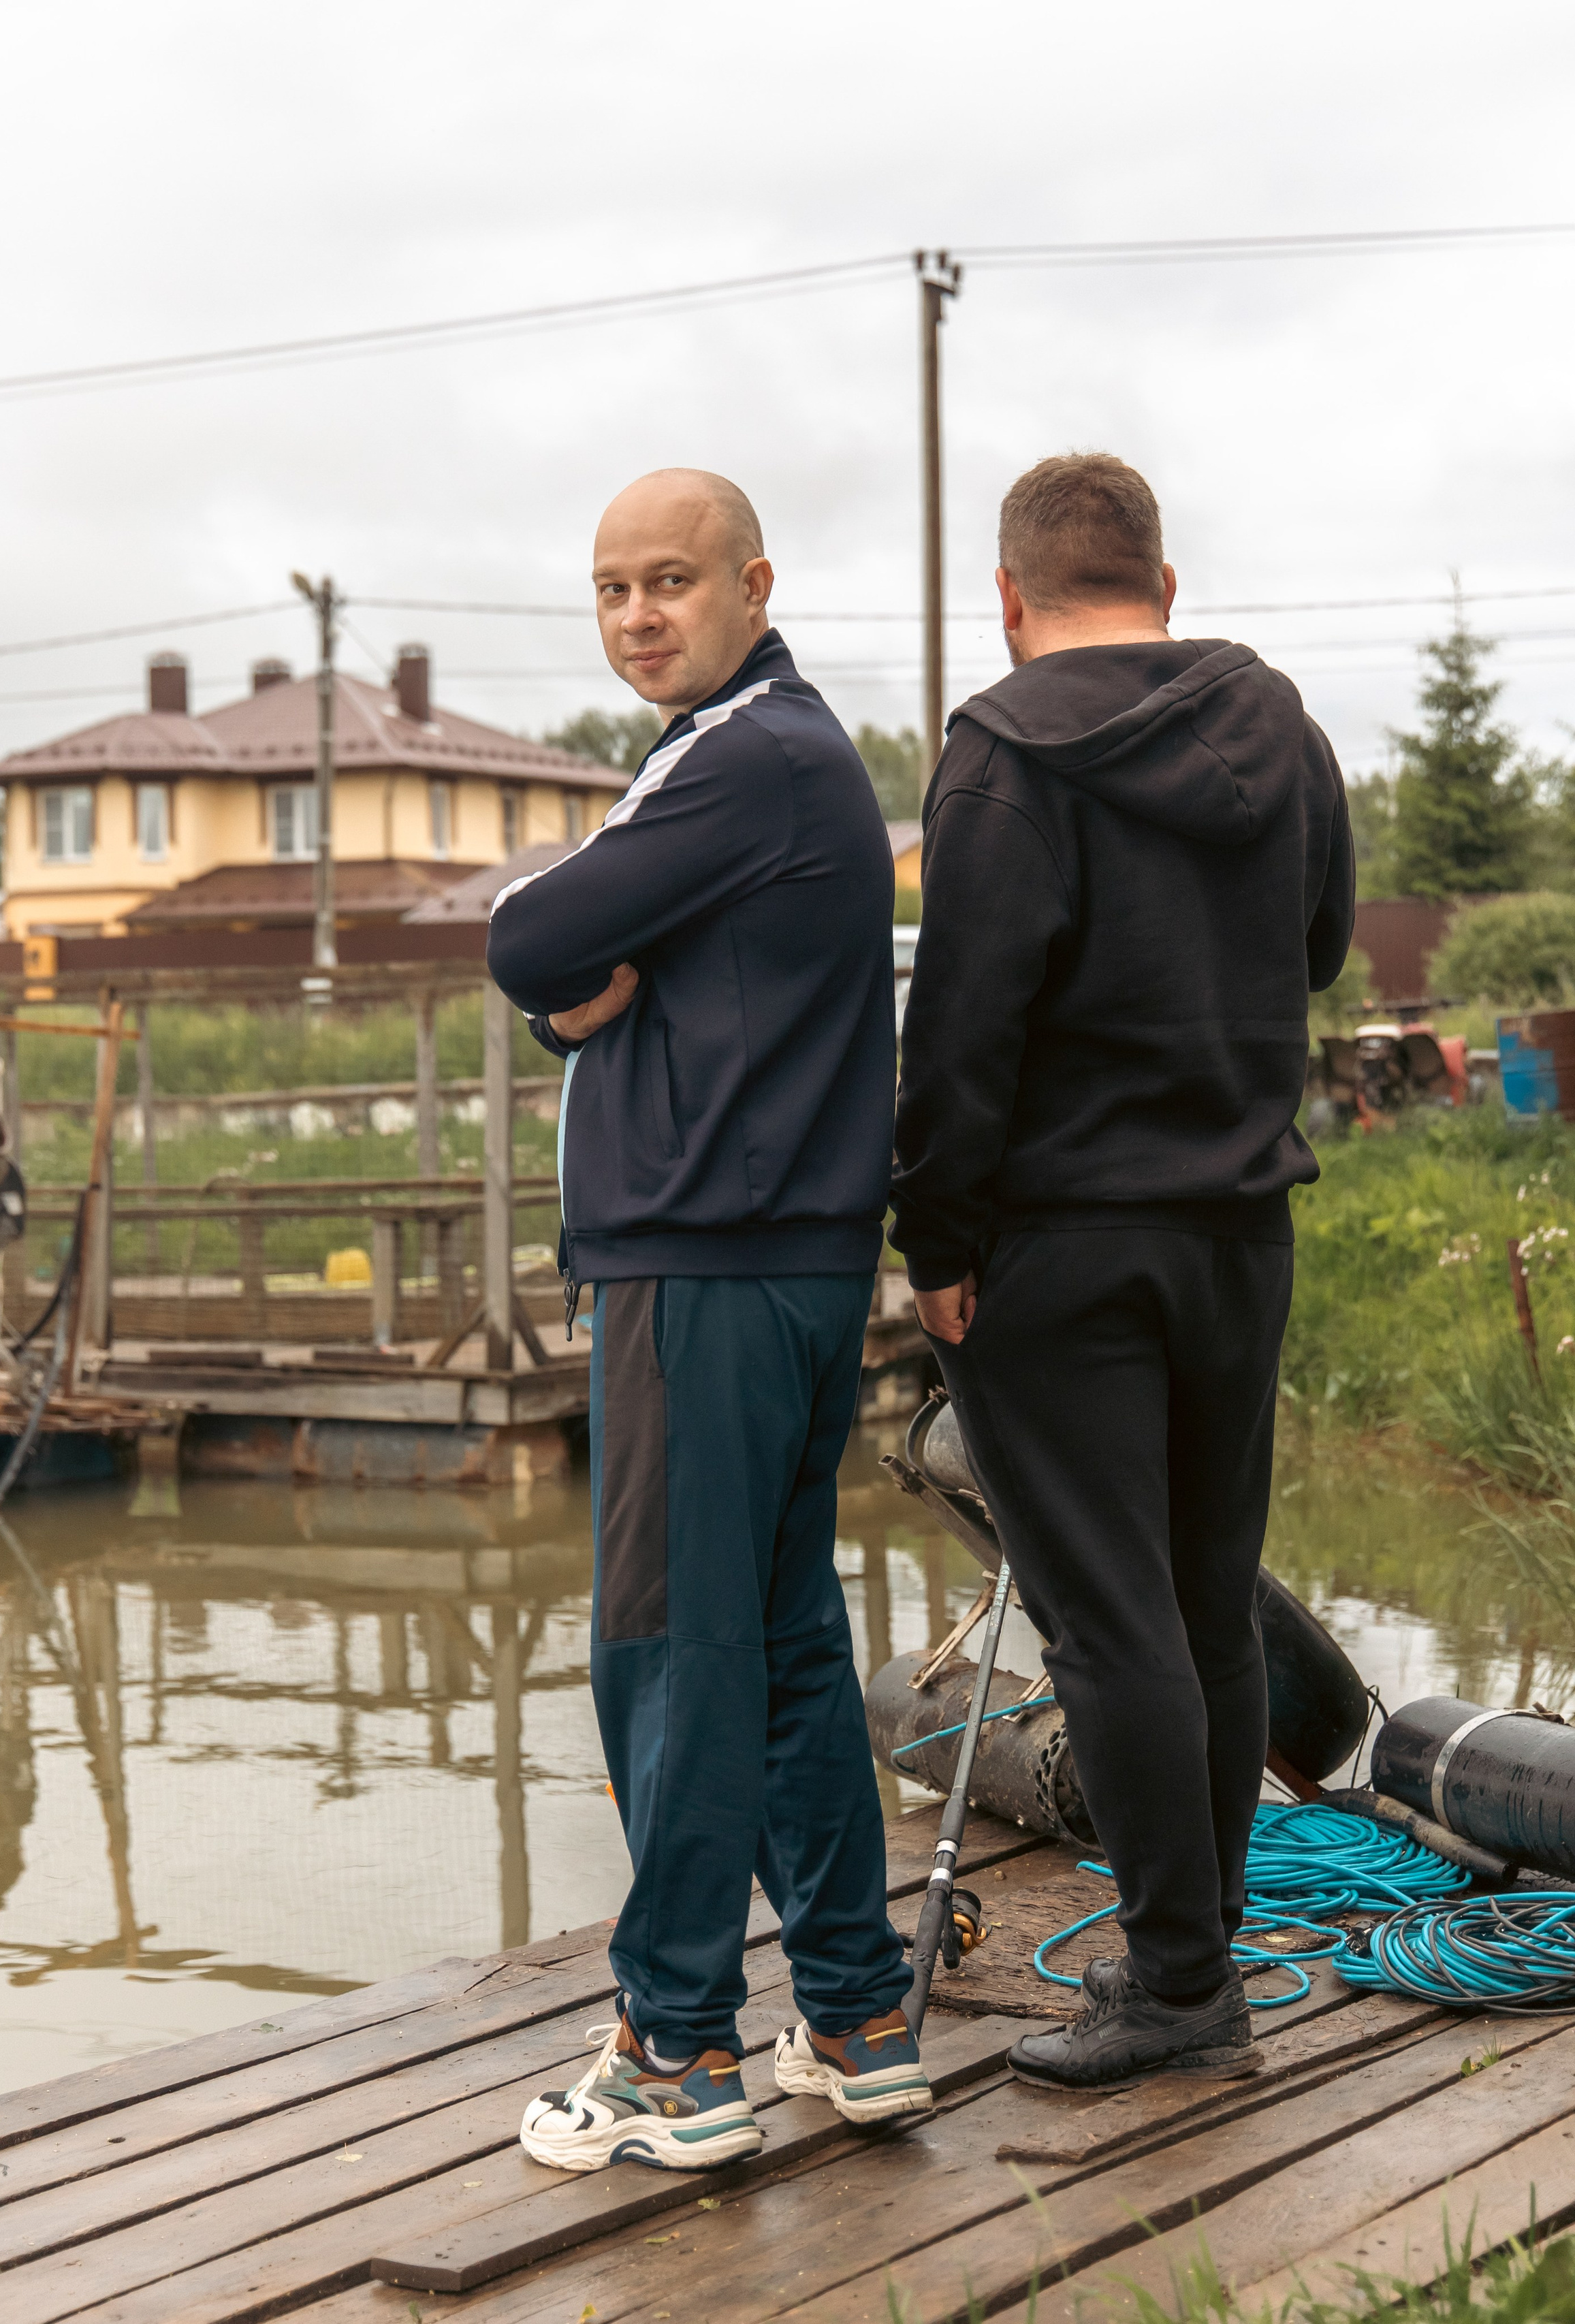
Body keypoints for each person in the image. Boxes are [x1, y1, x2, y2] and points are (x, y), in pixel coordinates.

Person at [890, 453, 1354, 2093]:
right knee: (1205, 1597)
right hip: (1239, 1230)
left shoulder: (1001, 757)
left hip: (1062, 1245)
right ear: (1161, 586)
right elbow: (1315, 947)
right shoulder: (1275, 726)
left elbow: (961, 1030)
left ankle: (1173, 1988)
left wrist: (933, 1241)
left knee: (1107, 1623)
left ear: (1007, 600)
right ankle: (1197, 1935)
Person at [487, 468, 931, 2173]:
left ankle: (675, 2051)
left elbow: (533, 931)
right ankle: (856, 2010)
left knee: (667, 1653)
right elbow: (582, 974)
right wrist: (582, 991)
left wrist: (574, 969)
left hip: (703, 1265)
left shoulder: (742, 757)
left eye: (668, 582)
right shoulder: (765, 762)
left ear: (753, 583)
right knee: (787, 1644)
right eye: (608, 591)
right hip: (790, 1262)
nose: (636, 617)